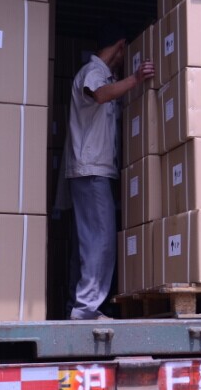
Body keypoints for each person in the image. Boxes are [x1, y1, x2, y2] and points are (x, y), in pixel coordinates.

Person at [65, 37, 154, 320]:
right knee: (100, 240)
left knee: (91, 240)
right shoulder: (93, 72)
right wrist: (135, 79)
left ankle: (78, 307)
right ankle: (86, 308)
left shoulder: (106, 76)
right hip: (91, 172)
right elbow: (100, 94)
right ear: (120, 46)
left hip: (95, 171)